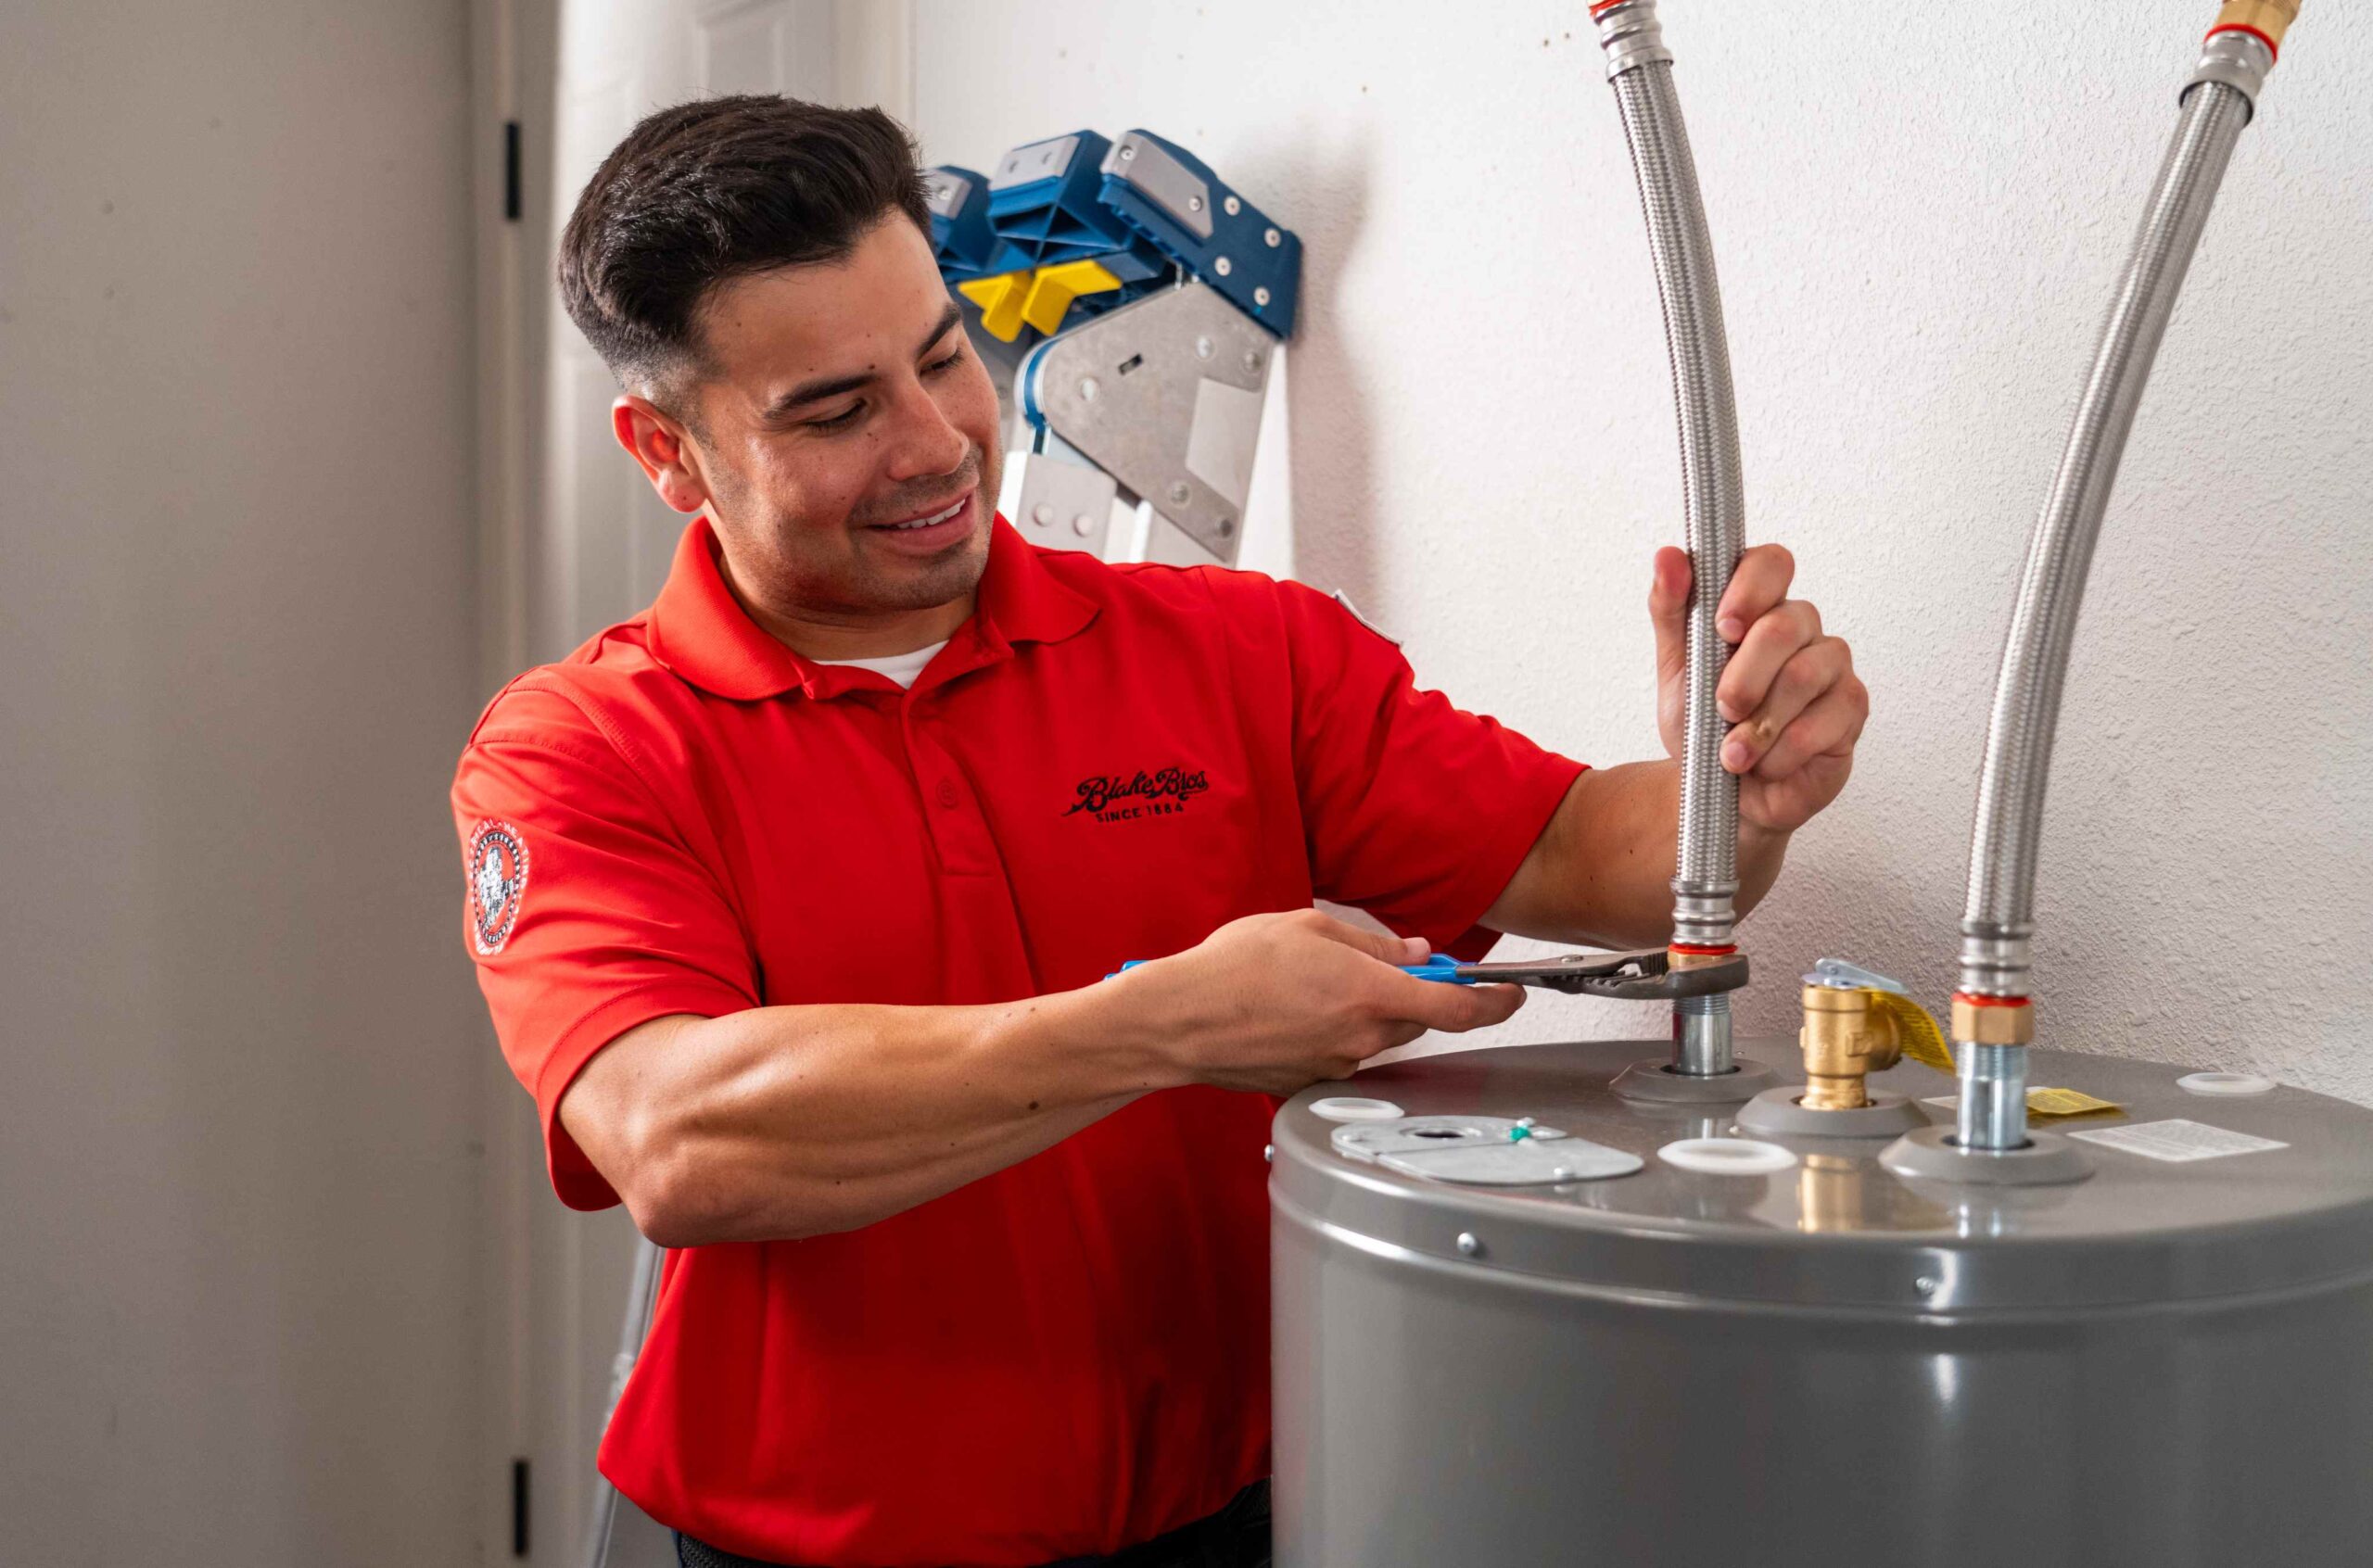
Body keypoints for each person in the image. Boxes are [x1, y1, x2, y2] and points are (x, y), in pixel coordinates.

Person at [451, 95, 1867, 1568]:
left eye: (944, 355)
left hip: (1253, 1514)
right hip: (820, 1544)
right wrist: (1160, 1025)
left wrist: (1731, 785)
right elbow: (678, 1139)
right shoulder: (580, 751)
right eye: (837, 409)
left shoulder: (1245, 654)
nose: (937, 443)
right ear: (667, 452)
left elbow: (1594, 859)